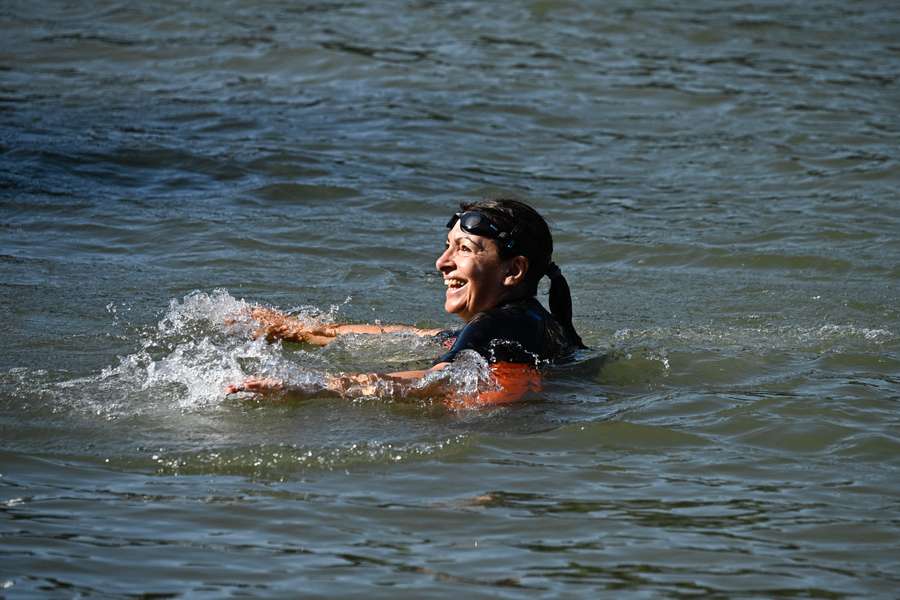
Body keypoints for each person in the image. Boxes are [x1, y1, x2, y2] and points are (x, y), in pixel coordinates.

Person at [226, 198, 586, 407]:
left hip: (500, 437)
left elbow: (436, 380)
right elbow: (417, 335)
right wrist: (301, 330)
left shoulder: (494, 326)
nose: (442, 262)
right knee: (436, 338)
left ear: (514, 270)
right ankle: (303, 331)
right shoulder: (539, 322)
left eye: (463, 249)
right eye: (448, 245)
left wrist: (312, 385)